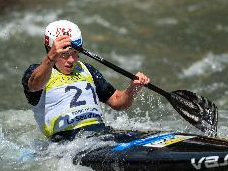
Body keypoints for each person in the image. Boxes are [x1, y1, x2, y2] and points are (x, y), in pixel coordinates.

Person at [22, 20, 150, 142]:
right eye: (65, 54)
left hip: (101, 134)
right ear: (51, 51)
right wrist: (50, 58)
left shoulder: (86, 70)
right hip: (66, 144)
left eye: (75, 53)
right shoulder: (37, 72)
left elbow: (117, 102)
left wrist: (133, 88)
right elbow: (34, 86)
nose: (72, 60)